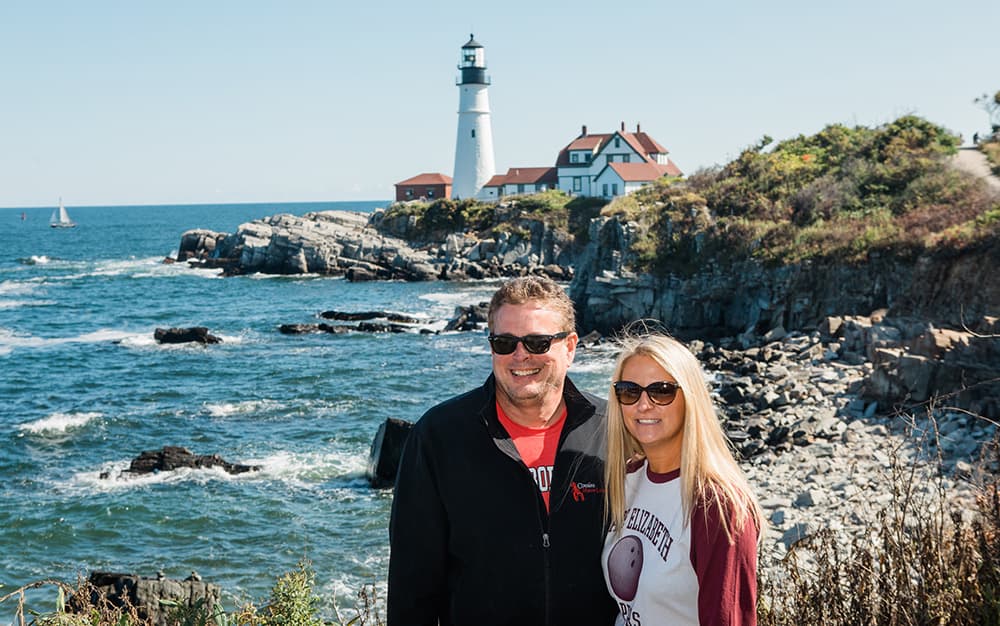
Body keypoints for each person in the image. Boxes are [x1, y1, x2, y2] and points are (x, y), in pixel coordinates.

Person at [388, 275, 618, 626]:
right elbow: (411, 582)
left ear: (570, 347)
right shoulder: (439, 436)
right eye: (505, 342)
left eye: (538, 342)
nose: (520, 355)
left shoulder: (612, 429)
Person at [603, 333, 764, 626]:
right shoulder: (628, 479)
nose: (643, 405)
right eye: (629, 391)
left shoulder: (717, 506)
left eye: (661, 391)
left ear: (690, 398)